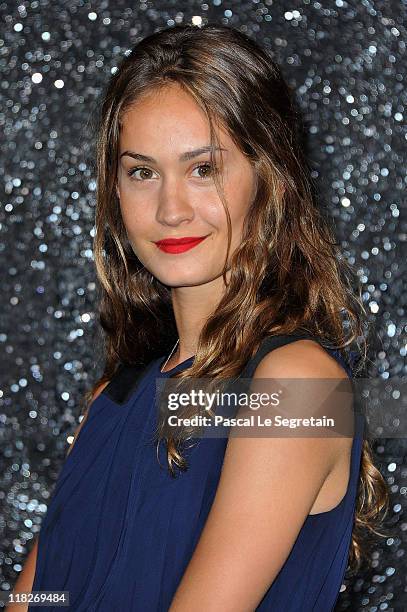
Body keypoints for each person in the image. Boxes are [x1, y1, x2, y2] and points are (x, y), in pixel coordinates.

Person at [9, 23, 389, 612]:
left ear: (270, 179)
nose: (170, 208)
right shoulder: (113, 399)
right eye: (142, 172)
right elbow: (42, 596)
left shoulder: (299, 387)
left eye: (203, 169)